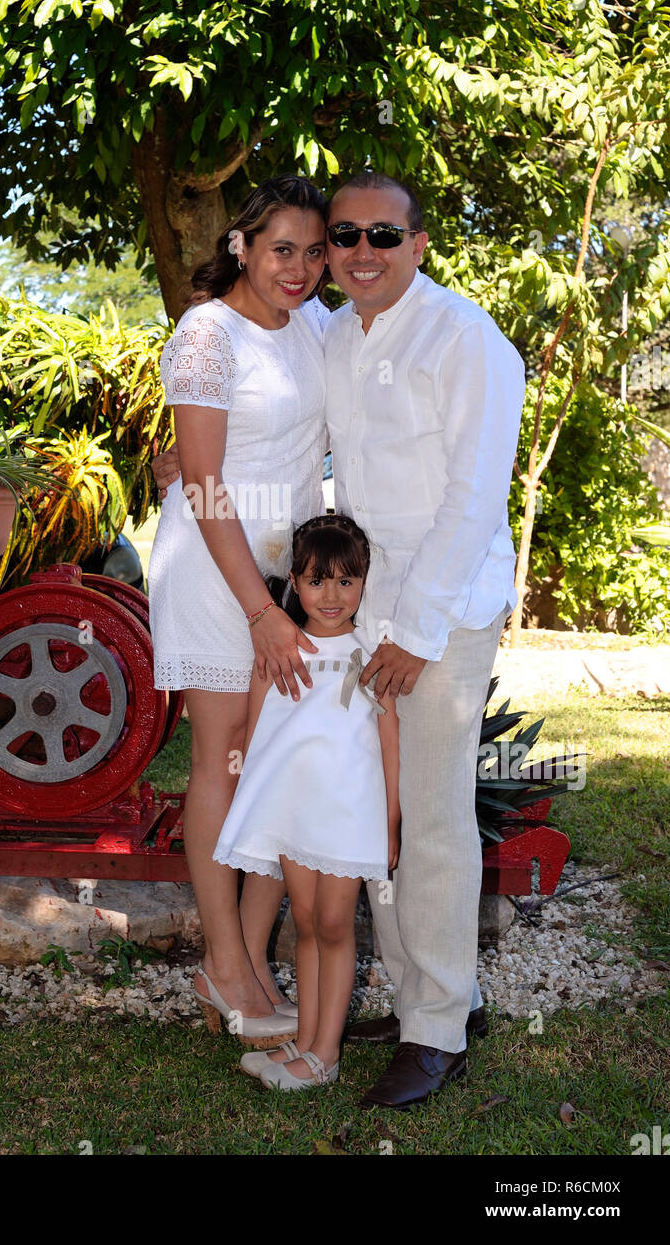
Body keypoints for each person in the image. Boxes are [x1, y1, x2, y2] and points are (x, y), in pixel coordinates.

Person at [154, 170, 526, 1107]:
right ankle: (407, 995)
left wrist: (412, 627)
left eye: (376, 238)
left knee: (426, 815)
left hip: (420, 609)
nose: (352, 254)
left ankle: (436, 1025)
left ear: (419, 244)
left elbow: (474, 500)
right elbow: (235, 447)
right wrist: (186, 466)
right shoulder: (341, 331)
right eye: (338, 238)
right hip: (324, 603)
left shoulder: (463, 340)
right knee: (348, 803)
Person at [147, 175, 331, 1047]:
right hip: (219, 574)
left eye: (313, 250)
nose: (298, 268)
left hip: (287, 575)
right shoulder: (205, 334)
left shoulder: (316, 326)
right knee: (222, 764)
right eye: (281, 249)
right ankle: (223, 963)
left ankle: (250, 962)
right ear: (242, 249)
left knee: (279, 766)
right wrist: (259, 611)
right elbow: (204, 478)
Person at [213, 514, 400, 1092]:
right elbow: (257, 727)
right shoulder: (283, 647)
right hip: (294, 810)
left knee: (337, 923)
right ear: (295, 580)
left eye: (347, 581)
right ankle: (308, 1039)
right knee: (309, 924)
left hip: (348, 813)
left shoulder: (371, 656)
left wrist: (391, 820)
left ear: (365, 584)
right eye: (317, 581)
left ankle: (326, 1053)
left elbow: (390, 742)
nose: (332, 595)